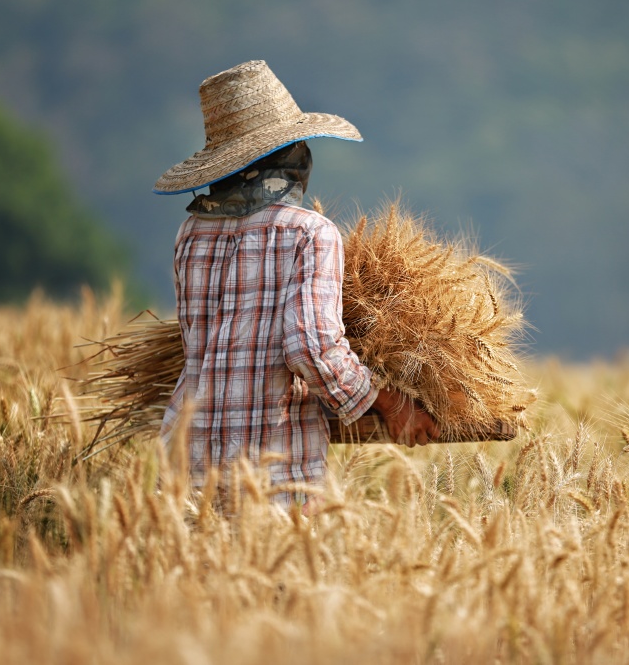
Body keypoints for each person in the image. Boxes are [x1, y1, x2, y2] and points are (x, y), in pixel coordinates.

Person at [154, 60, 438, 509]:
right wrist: (386, 402)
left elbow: (200, 346)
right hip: (271, 470)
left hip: (186, 464)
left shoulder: (189, 235)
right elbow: (309, 346)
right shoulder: (309, 232)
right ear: (289, 157)